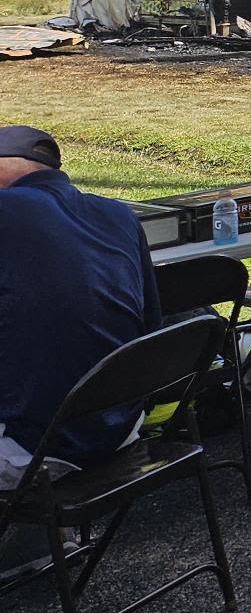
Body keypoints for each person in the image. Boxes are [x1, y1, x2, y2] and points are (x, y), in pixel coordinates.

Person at [0, 126, 162, 491]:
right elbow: (151, 325)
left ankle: (31, 539)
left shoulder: (6, 209)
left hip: (30, 449)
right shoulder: (119, 214)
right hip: (120, 429)